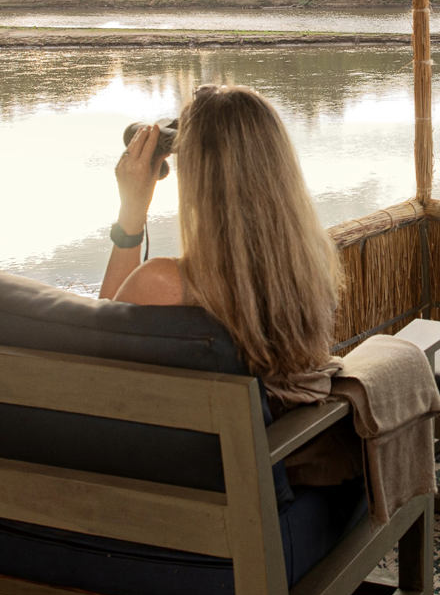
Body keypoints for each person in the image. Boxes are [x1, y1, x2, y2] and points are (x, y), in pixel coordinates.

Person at [100, 83, 345, 404]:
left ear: (197, 175)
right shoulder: (307, 266)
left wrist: (132, 211)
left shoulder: (166, 283)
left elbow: (95, 347)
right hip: (272, 440)